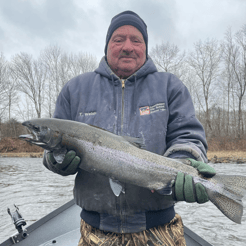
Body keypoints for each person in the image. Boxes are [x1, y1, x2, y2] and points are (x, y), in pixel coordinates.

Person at [43, 10, 216, 246]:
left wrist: (184, 162)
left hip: (161, 229)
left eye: (136, 40)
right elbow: (51, 149)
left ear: (145, 47)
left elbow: (188, 136)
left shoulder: (170, 86)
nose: (127, 46)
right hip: (94, 231)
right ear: (107, 46)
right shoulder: (75, 89)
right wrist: (55, 159)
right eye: (118, 39)